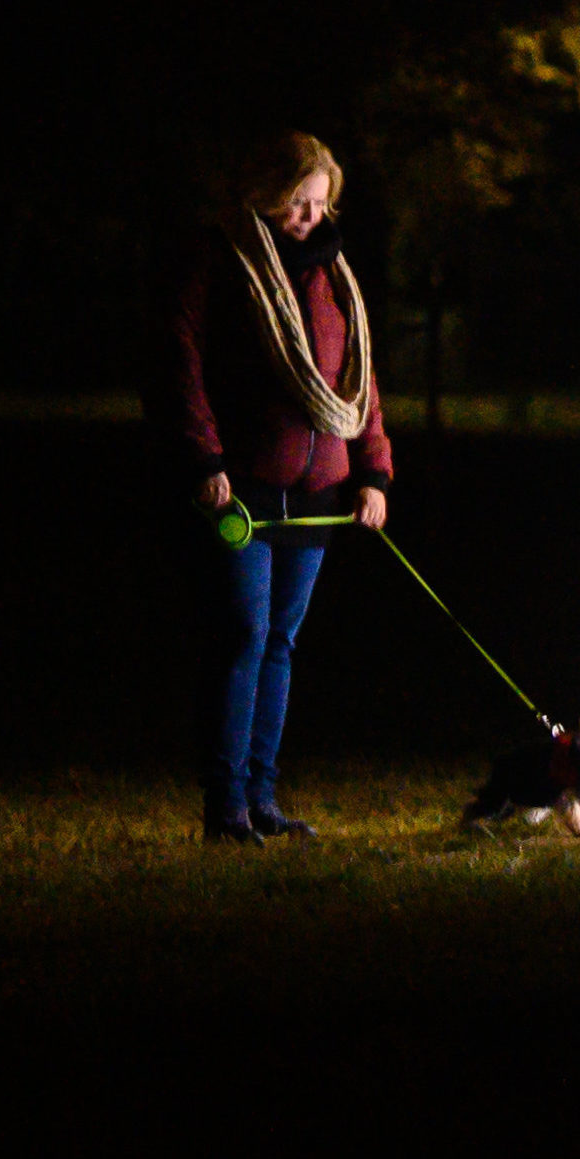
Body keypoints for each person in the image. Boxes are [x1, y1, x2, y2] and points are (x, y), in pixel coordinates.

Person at [162, 131, 394, 843]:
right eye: (298, 202)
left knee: (282, 641)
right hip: (245, 489)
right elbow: (180, 359)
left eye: (320, 204)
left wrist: (374, 471)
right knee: (243, 635)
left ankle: (262, 796)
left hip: (319, 493)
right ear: (266, 194)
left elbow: (359, 381)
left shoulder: (334, 275)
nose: (309, 217)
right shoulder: (221, 259)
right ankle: (225, 805)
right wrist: (204, 458)